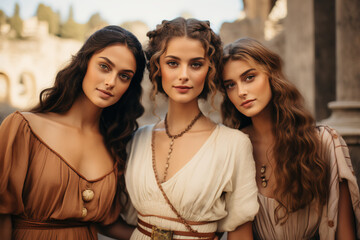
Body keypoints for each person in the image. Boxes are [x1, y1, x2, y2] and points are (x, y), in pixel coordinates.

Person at [0, 25, 145, 240]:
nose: (111, 82)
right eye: (104, 66)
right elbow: (2, 215)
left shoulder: (116, 144)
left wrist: (167, 235)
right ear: (84, 63)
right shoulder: (23, 127)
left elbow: (106, 223)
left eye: (124, 76)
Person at [124, 17, 259, 240]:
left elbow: (240, 232)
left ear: (210, 70)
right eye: (173, 63)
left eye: (195, 64)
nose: (184, 75)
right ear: (158, 68)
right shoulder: (136, 140)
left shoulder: (234, 145)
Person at [219, 37, 360, 240]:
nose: (241, 92)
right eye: (230, 85)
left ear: (270, 75)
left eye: (249, 77)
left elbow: (345, 234)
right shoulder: (231, 148)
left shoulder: (325, 142)